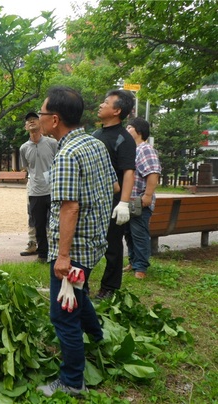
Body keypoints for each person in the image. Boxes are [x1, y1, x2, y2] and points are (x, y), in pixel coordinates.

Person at [35, 87, 117, 397]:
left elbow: (70, 207)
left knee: (63, 313)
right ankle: (97, 340)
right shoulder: (94, 143)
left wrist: (63, 256)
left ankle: (71, 381)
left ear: (54, 119)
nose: (39, 119)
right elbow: (112, 183)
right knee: (79, 297)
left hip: (75, 251)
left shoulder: (67, 154)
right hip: (95, 242)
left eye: (41, 114)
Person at [93, 89, 136, 299]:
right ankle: (79, 281)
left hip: (113, 201)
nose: (101, 105)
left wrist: (124, 203)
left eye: (106, 102)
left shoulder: (124, 139)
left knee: (112, 245)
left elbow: (128, 171)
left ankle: (109, 287)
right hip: (93, 200)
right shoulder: (96, 135)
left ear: (117, 110)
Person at [123, 117, 161, 279]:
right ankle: (133, 261)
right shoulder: (132, 149)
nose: (126, 130)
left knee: (139, 234)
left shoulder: (145, 149)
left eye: (129, 127)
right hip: (128, 201)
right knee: (129, 234)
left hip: (139, 201)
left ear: (139, 132)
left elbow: (153, 173)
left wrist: (147, 195)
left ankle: (141, 267)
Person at [19, 112, 58, 260]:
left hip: (52, 189)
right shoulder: (23, 148)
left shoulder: (52, 143)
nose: (31, 122)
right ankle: (42, 255)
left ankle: (56, 253)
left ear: (41, 123)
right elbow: (27, 167)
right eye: (28, 121)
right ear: (25, 127)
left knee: (55, 223)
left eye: (34, 119)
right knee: (39, 224)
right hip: (35, 191)